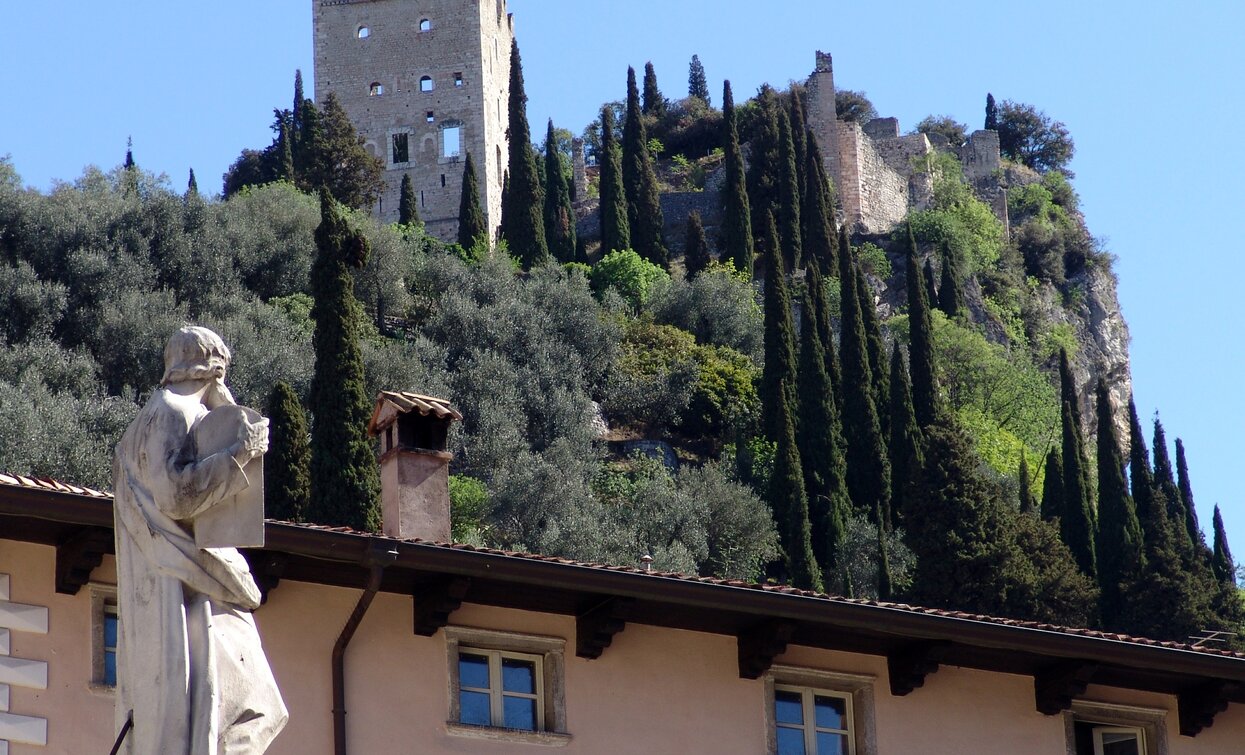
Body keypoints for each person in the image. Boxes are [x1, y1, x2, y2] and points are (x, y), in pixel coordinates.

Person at [113, 326, 287, 754]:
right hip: (191, 581)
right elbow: (174, 496)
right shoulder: (171, 411)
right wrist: (238, 453)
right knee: (259, 704)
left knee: (244, 705)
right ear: (214, 371)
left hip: (187, 581)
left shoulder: (152, 419)